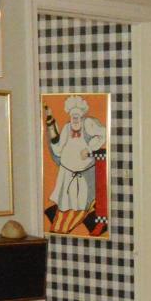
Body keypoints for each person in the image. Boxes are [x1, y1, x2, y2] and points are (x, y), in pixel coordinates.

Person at [45, 94, 107, 233]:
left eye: (77, 116)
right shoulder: (67, 128)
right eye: (73, 116)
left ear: (82, 115)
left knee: (82, 205)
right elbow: (58, 149)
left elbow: (104, 134)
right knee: (66, 205)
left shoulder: (88, 124)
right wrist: (52, 129)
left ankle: (84, 220)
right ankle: (62, 224)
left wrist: (89, 148)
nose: (75, 119)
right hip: (67, 173)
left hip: (84, 173)